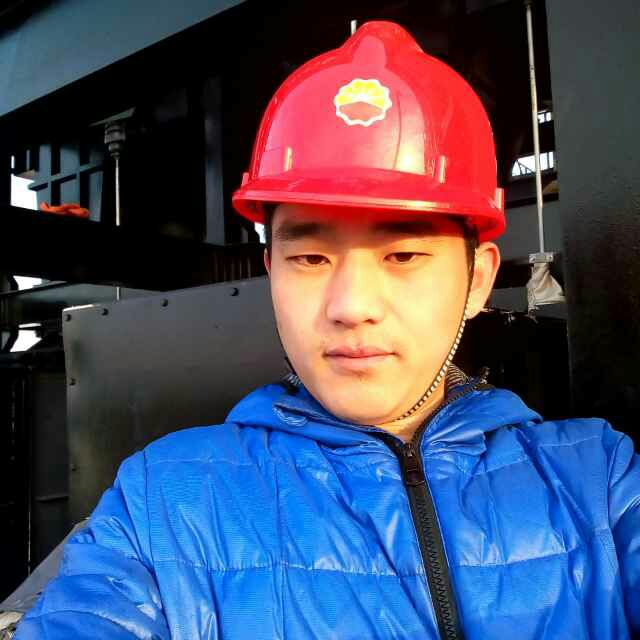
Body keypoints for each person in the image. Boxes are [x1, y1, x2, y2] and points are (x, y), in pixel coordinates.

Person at [14, 21, 639, 640]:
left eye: (403, 255)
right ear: (271, 273)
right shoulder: (162, 505)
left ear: (476, 281)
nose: (352, 306)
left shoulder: (599, 482)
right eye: (311, 258)